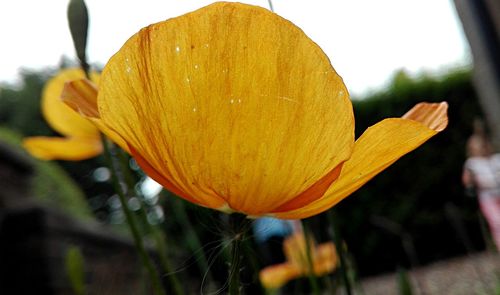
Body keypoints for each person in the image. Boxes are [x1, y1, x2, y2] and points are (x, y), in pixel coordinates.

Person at [462, 119, 500, 250]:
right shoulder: (472, 163)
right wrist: (471, 180)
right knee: (497, 222)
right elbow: (467, 181)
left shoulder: (496, 159)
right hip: (487, 197)